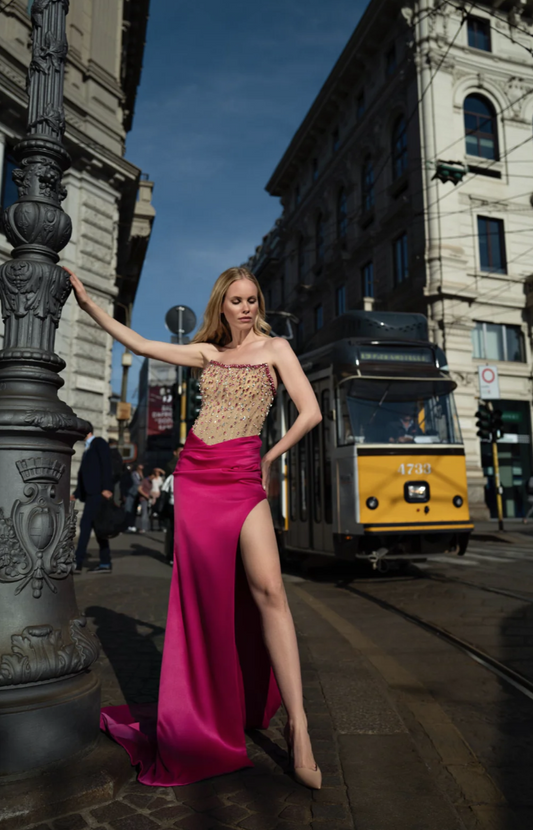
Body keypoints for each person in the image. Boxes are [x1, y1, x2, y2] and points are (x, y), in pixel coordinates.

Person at [67, 265, 323, 790]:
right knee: (204, 601)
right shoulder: (208, 353)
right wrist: (91, 306)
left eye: (252, 299)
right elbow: (141, 344)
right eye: (237, 300)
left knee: (270, 590)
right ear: (221, 306)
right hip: (198, 477)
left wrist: (269, 457)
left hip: (243, 475)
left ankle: (299, 727)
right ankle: (207, 710)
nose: (246, 308)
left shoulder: (276, 349)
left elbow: (310, 412)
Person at [72, 425, 114, 573]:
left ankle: (78, 562)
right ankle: (105, 562)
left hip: (98, 494)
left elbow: (106, 465)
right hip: (91, 494)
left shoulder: (99, 443)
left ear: (88, 431)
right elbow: (84, 474)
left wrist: (107, 488)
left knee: (86, 527)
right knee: (98, 528)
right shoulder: (88, 448)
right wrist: (77, 493)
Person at [124, 463, 143, 532]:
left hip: (136, 495)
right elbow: (137, 483)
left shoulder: (139, 475)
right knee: (128, 510)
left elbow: (142, 482)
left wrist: (141, 476)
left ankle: (132, 525)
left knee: (134, 511)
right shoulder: (133, 474)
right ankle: (127, 525)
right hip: (131, 494)